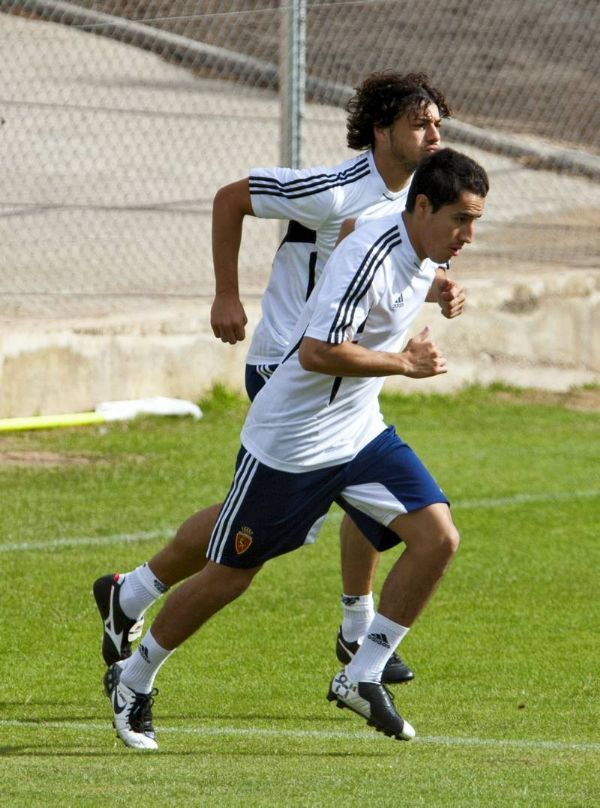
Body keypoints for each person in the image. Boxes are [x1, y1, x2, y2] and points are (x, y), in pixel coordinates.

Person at [101, 147, 490, 750]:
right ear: (421, 206)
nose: (468, 235)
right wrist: (403, 363)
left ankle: (361, 675)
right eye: (460, 220)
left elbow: (377, 241)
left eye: (475, 222)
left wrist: (437, 287)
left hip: (358, 432)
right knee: (229, 576)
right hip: (291, 442)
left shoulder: (411, 242)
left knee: (438, 536)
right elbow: (315, 352)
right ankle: (135, 675)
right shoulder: (372, 254)